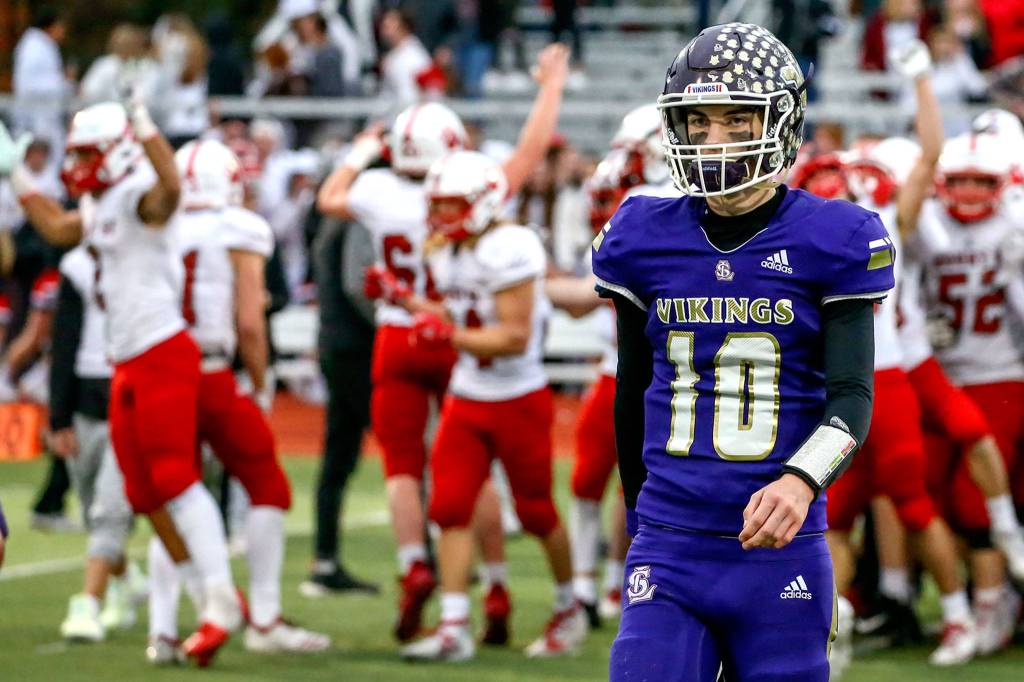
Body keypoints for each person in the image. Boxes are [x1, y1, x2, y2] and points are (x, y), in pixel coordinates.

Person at [596, 23, 895, 681]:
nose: (713, 139)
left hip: (780, 548)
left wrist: (800, 479)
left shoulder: (836, 236)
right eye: (696, 120)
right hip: (670, 544)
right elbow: (632, 391)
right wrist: (644, 519)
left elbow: (851, 399)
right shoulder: (640, 233)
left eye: (737, 119)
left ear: (781, 121)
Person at [317, 43, 570, 643]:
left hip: (439, 345)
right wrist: (550, 86)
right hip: (451, 344)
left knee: (412, 469)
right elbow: (531, 152)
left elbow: (331, 197)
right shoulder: (455, 225)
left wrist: (360, 150)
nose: (436, 216)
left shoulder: (399, 199)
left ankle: (419, 568)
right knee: (463, 481)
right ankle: (491, 585)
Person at [0, 92, 242, 666]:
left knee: (175, 480)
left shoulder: (139, 192)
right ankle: (199, 591)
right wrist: (13, 174)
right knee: (142, 490)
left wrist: (146, 128)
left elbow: (170, 191)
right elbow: (58, 228)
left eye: (88, 153)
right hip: (127, 357)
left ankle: (219, 598)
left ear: (117, 152)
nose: (77, 164)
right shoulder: (106, 199)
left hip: (160, 347)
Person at [142, 138, 328, 661]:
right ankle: (264, 619)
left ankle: (162, 629)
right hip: (209, 371)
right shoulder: (238, 227)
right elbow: (250, 321)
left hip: (157, 370)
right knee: (267, 484)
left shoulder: (158, 225)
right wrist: (262, 380)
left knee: (177, 494)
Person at [399, 150, 588, 661]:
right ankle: (455, 626)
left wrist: (446, 333)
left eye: (449, 205)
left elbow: (512, 335)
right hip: (468, 395)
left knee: (534, 510)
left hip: (517, 397)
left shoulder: (512, 246)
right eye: (435, 205)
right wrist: (410, 303)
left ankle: (569, 608)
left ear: (481, 204)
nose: (438, 215)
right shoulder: (448, 248)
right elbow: (463, 311)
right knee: (449, 506)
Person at [50, 245, 143, 643]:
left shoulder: (150, 254)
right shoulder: (76, 265)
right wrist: (59, 417)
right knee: (93, 513)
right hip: (85, 399)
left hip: (131, 391)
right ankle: (129, 581)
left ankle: (87, 604)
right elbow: (65, 338)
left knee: (109, 510)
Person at [11, 6, 73, 164]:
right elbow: (27, 84)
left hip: (47, 115)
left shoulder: (43, 45)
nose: (63, 32)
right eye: (61, 27)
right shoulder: (33, 47)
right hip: (36, 117)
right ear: (51, 25)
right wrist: (64, 83)